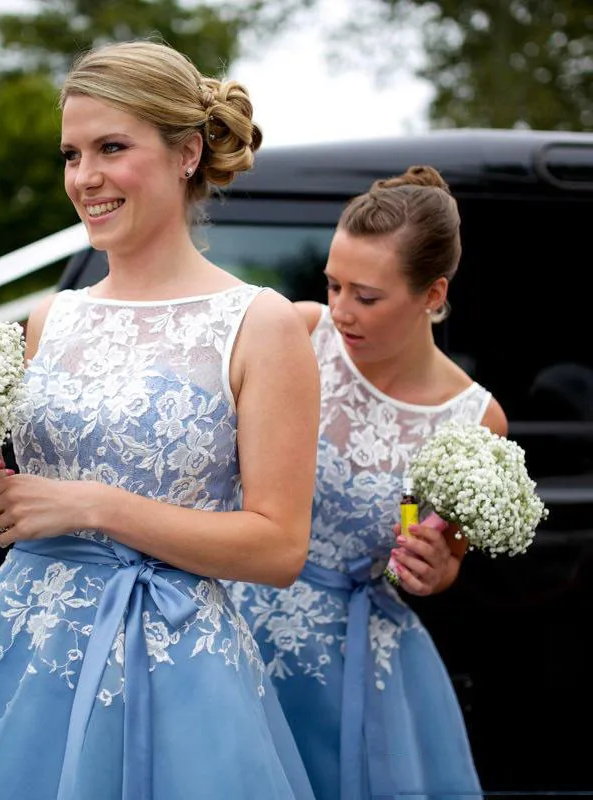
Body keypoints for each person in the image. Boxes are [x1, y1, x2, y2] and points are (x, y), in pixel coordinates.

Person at [0, 39, 321, 800]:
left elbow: (279, 547)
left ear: (187, 153)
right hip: (24, 646)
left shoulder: (260, 323)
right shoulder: (53, 319)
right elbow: (25, 497)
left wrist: (91, 505)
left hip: (177, 661)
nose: (84, 178)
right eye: (71, 153)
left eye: (111, 147)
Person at [229, 165, 508, 800]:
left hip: (356, 664)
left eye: (367, 296)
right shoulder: (298, 335)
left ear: (433, 295)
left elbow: (438, 552)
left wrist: (436, 570)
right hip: (239, 629)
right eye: (333, 285)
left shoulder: (475, 421)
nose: (341, 311)